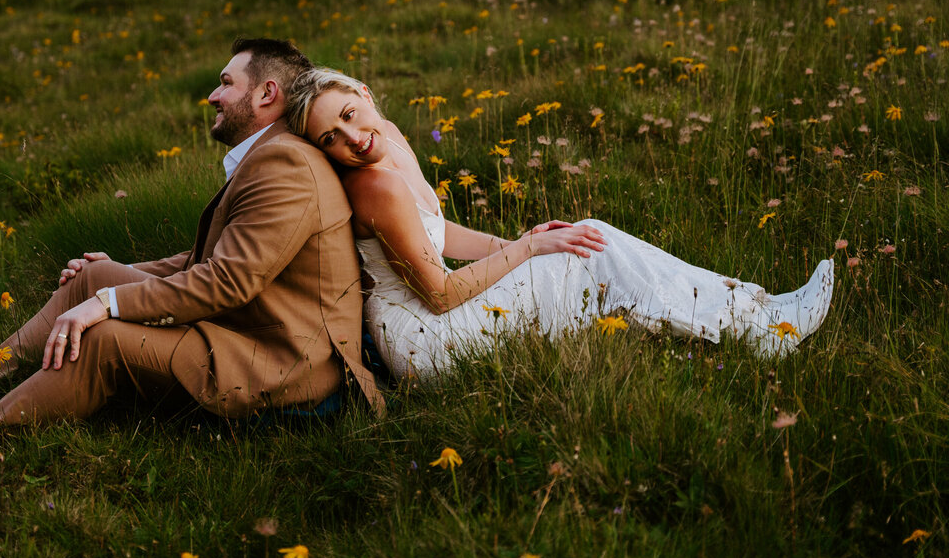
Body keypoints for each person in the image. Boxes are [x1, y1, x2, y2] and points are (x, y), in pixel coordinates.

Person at [0, 39, 383, 481]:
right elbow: (203, 258)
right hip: (253, 330)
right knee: (95, 275)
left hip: (286, 364)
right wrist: (112, 278)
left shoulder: (285, 163)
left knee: (101, 338)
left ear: (266, 93)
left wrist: (108, 305)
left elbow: (228, 280)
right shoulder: (272, 155)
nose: (213, 96)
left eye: (225, 83)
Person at [284, 68, 835, 378]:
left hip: (435, 314)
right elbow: (441, 296)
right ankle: (763, 330)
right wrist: (525, 251)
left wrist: (523, 243)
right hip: (423, 338)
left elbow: (438, 232)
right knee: (589, 250)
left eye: (350, 117)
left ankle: (756, 316)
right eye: (329, 139)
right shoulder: (371, 182)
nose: (351, 140)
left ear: (364, 95)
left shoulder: (391, 141)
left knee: (578, 243)